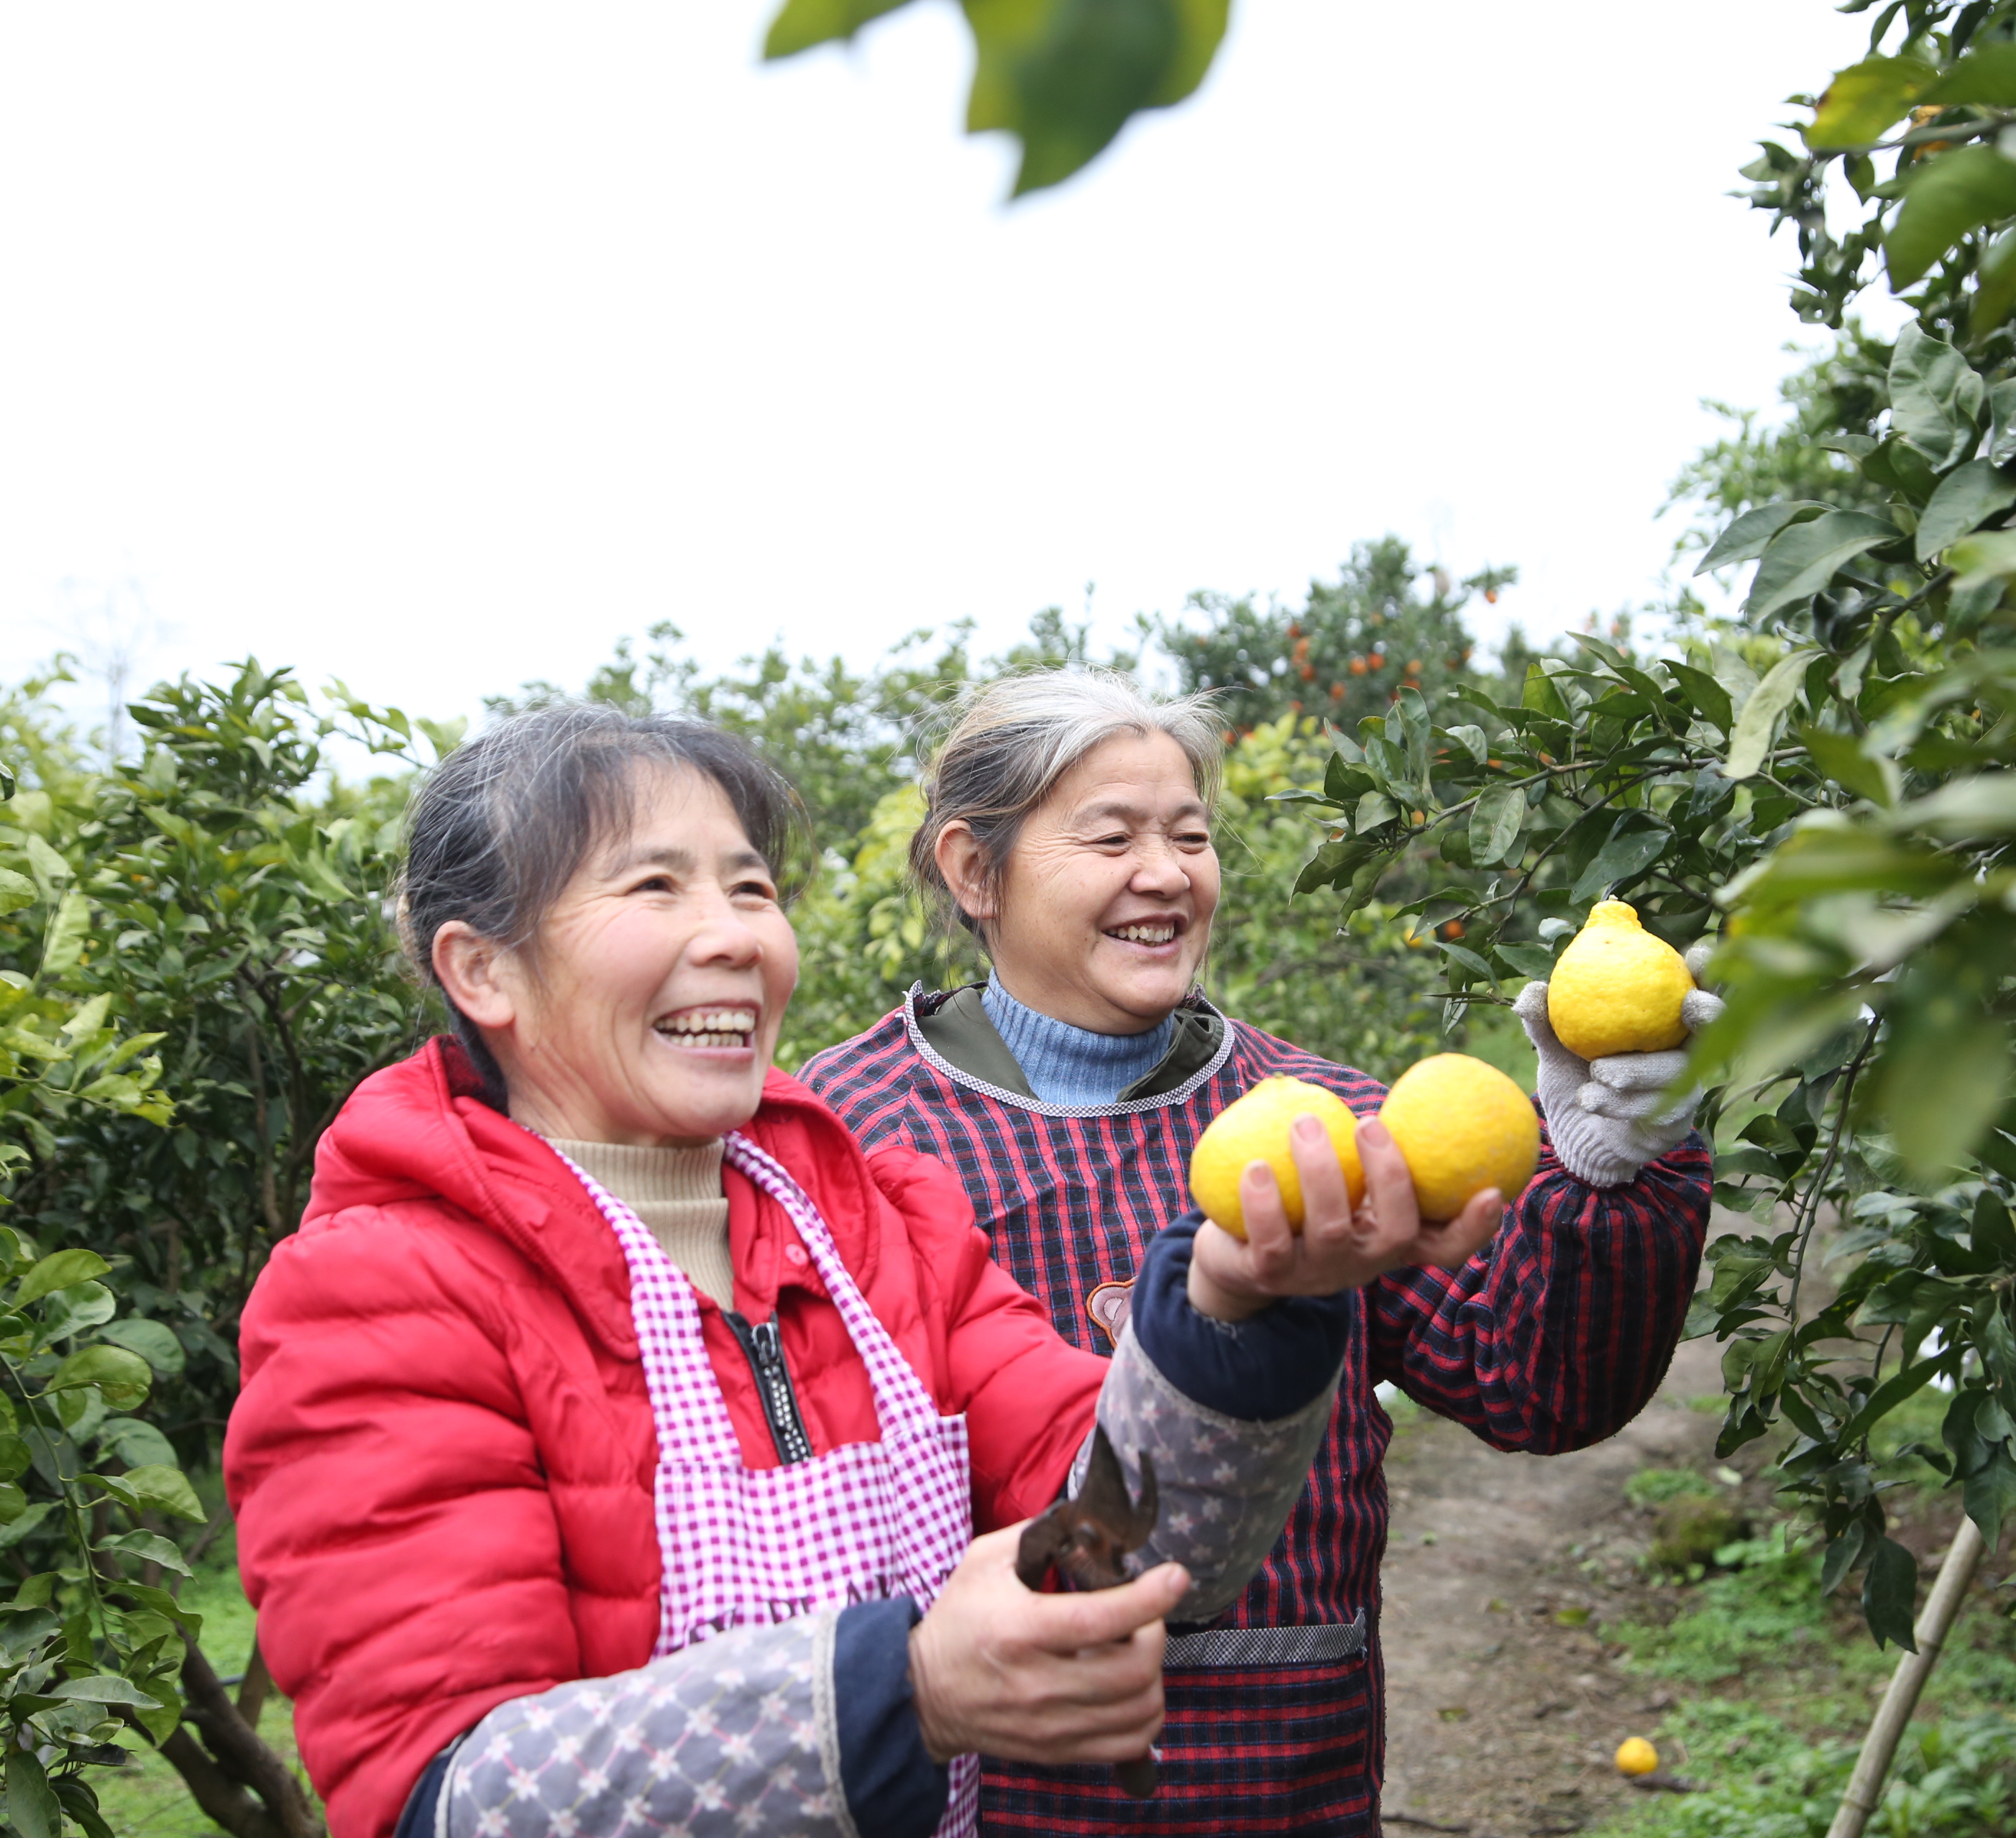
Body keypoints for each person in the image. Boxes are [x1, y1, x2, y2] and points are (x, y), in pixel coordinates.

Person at [222, 704, 1488, 1838]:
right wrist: (910, 1689)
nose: (729, 937)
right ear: (482, 970)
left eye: (751, 887)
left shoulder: (875, 1219)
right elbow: (447, 1798)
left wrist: (1231, 1302)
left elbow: (1139, 1546)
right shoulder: (380, 1296)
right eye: (655, 888)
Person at [803, 671, 1717, 1833]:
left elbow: (1539, 1384)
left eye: (1191, 835)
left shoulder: (1323, 1123)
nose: (1167, 872)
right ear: (974, 870)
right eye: (1113, 835)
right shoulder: (843, 1137)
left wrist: (1606, 1168)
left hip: (1283, 1777)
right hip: (988, 1788)